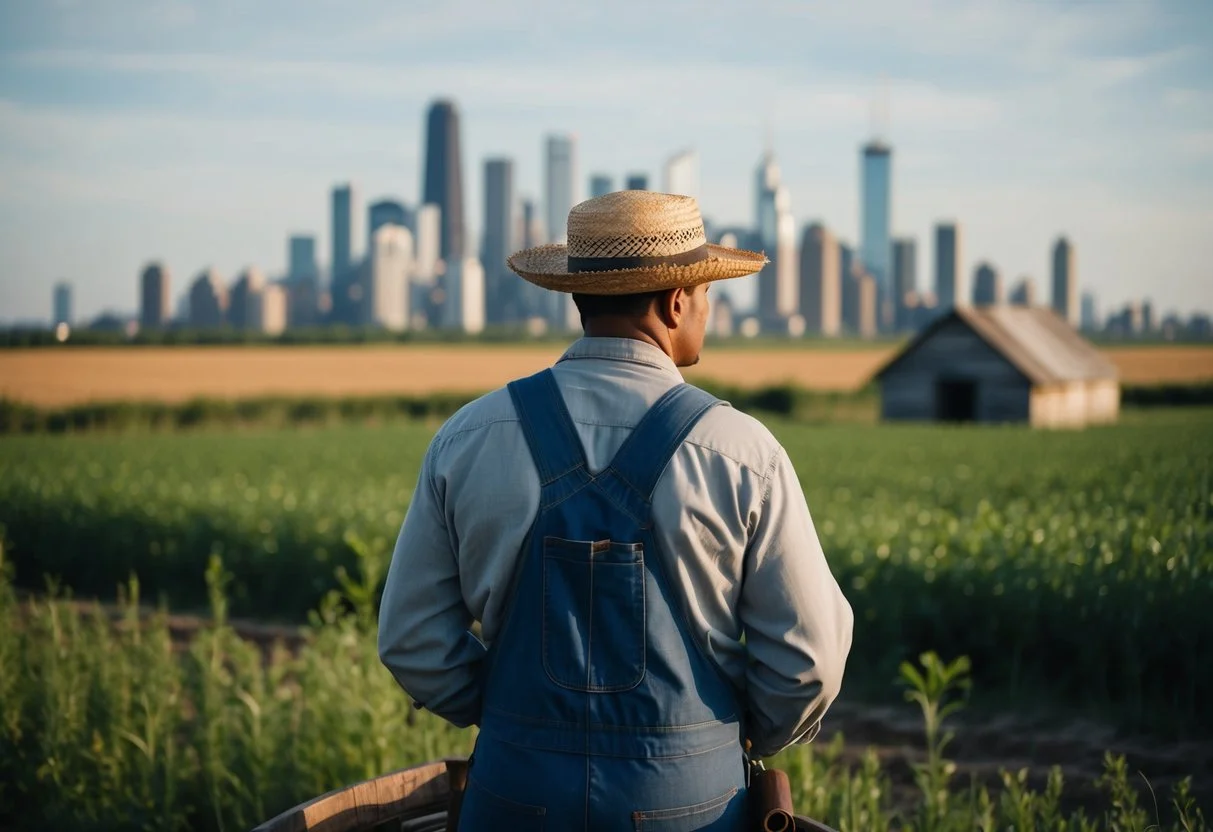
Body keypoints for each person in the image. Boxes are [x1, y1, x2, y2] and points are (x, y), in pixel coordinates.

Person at [379, 190, 853, 831]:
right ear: (675, 300)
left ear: (579, 296)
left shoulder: (467, 438)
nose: (708, 309)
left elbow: (412, 640)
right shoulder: (742, 453)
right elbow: (809, 662)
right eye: (707, 291)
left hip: (512, 799)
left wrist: (517, 721)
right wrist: (718, 738)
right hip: (693, 808)